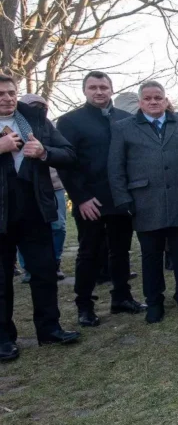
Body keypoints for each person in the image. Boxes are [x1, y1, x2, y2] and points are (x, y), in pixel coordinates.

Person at [108, 80, 178, 322]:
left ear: (165, 100)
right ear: (140, 102)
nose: (153, 102)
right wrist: (123, 198)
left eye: (158, 97)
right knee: (151, 255)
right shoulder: (123, 127)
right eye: (148, 98)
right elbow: (116, 166)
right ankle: (154, 301)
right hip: (145, 201)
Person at [0, 74, 80, 363]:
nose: (7, 98)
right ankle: (4, 339)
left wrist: (45, 152)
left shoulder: (34, 119)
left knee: (44, 272)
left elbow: (69, 153)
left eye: (11, 92)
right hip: (1, 212)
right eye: (1, 94)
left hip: (35, 208)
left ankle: (49, 329)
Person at [56, 72, 144, 327]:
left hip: (120, 199)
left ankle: (122, 297)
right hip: (89, 201)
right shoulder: (71, 122)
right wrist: (81, 197)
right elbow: (66, 164)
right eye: (93, 88)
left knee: (120, 251)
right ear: (84, 91)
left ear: (111, 89)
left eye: (103, 87)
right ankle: (84, 305)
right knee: (89, 253)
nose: (99, 92)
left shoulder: (126, 119)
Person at [17, 95, 67, 282]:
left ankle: (55, 262)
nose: (39, 109)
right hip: (25, 187)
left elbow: (66, 152)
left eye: (42, 106)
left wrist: (44, 151)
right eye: (34, 106)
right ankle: (28, 268)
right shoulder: (16, 125)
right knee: (24, 230)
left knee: (59, 227)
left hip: (53, 185)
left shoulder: (48, 125)